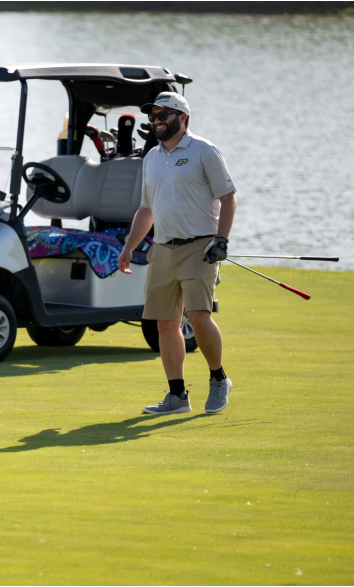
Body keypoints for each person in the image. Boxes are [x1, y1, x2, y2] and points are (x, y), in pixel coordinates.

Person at [117, 92, 237, 415]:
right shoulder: (152, 158)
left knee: (198, 316)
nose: (156, 120)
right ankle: (177, 396)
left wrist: (221, 240)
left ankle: (218, 378)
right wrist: (129, 247)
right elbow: (147, 209)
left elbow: (228, 198)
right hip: (163, 249)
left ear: (182, 118)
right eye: (153, 115)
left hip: (200, 247)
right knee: (165, 324)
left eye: (163, 114)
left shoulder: (204, 151)